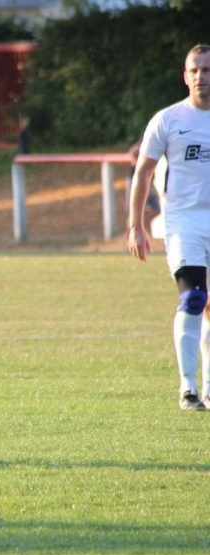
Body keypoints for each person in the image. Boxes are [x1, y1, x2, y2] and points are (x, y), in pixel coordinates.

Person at [128, 44, 210, 412]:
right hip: (183, 222)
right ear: (185, 76)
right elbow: (143, 172)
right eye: (195, 70)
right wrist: (136, 226)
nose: (201, 76)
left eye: (207, 69)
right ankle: (188, 388)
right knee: (194, 299)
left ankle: (209, 387)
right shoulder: (168, 120)